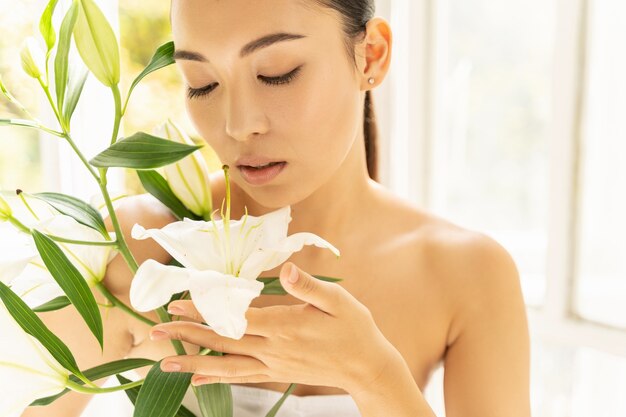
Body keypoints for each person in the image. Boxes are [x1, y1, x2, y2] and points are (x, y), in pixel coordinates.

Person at [22, 0, 530, 416]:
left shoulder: (466, 274)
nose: (238, 125)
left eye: (277, 73)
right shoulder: (133, 250)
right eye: (201, 82)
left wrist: (375, 376)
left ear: (371, 56)